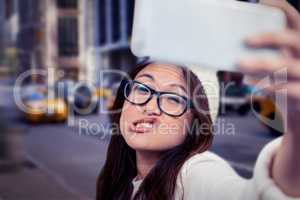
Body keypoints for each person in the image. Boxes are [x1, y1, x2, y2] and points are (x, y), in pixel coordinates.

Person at [96, 0, 300, 199]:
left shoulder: (195, 175)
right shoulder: (116, 179)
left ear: (196, 123)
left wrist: (297, 129)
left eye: (174, 98)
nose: (150, 106)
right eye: (142, 88)